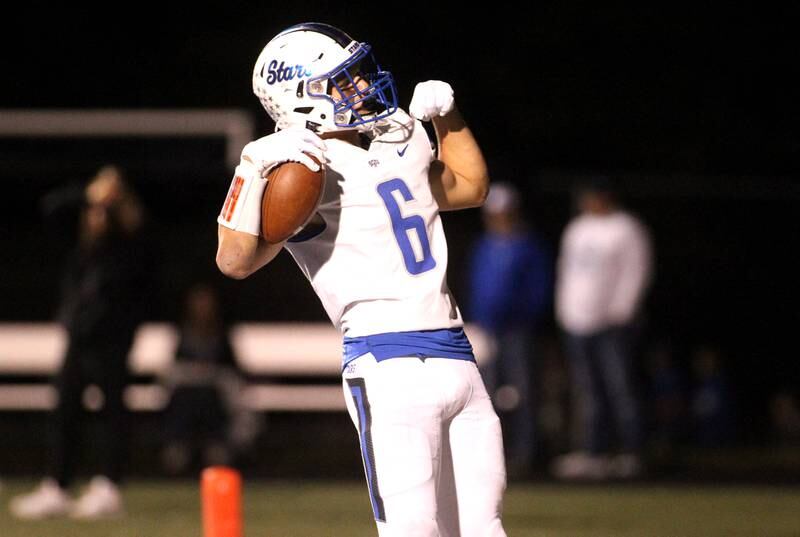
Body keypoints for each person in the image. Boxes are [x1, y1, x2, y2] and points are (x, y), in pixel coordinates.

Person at [215, 22, 506, 537]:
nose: (363, 86)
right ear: (303, 98)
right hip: (387, 362)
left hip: (457, 355)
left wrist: (447, 118)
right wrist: (250, 174)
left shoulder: (399, 139)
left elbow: (470, 187)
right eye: (343, 80)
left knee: (485, 530)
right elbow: (236, 260)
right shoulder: (303, 172)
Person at [10, 165, 151, 519]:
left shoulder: (129, 239)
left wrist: (119, 203)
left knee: (112, 412)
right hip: (80, 333)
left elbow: (144, 253)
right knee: (65, 410)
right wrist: (89, 195)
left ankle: (108, 487)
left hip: (114, 335)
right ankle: (57, 485)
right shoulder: (81, 243)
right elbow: (51, 206)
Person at [552, 178, 652, 480]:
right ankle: (594, 451)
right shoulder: (578, 228)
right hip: (577, 321)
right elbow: (567, 271)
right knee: (588, 391)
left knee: (620, 388)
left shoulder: (625, 227)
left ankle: (631, 451)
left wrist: (622, 310)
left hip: (611, 323)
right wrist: (565, 311)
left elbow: (637, 270)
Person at [467, 182, 551, 477]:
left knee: (524, 391)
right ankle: (491, 455)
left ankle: (525, 453)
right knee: (486, 394)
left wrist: (524, 317)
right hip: (489, 330)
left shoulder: (528, 245)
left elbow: (537, 289)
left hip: (519, 330)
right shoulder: (485, 246)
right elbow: (478, 287)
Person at [160, 283, 256, 475]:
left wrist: (210, 374)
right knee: (184, 396)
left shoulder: (222, 333)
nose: (202, 307)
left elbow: (232, 371)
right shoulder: (183, 332)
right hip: (187, 395)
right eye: (198, 302)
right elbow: (174, 369)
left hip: (216, 397)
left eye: (206, 302)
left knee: (215, 397)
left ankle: (218, 446)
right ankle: (178, 448)